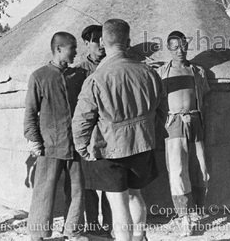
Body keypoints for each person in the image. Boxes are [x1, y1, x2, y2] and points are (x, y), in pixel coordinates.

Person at [72, 19, 163, 241]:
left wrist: (83, 148)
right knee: (136, 196)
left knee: (117, 202)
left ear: (102, 41)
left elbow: (81, 120)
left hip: (111, 149)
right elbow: (162, 111)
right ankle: (140, 238)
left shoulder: (97, 79)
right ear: (129, 42)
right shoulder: (149, 73)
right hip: (142, 144)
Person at [24, 32, 88, 241]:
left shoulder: (78, 76)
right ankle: (38, 233)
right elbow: (30, 113)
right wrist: (34, 140)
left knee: (77, 190)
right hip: (49, 145)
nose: (76, 52)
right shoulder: (39, 76)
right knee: (44, 190)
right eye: (73, 48)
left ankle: (72, 231)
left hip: (75, 144)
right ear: (59, 49)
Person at [157, 31, 210, 236]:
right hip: (173, 122)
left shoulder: (197, 71)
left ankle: (198, 208)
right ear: (169, 49)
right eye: (175, 47)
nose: (181, 50)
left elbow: (204, 96)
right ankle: (184, 214)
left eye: (183, 45)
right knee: (178, 168)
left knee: (200, 165)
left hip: (195, 120)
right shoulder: (162, 72)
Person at [75, 24, 112, 236]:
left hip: (109, 132)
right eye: (96, 40)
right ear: (87, 44)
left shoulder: (113, 66)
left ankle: (109, 221)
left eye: (104, 40)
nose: (101, 45)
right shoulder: (79, 71)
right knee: (88, 182)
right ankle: (92, 223)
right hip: (89, 133)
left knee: (110, 178)